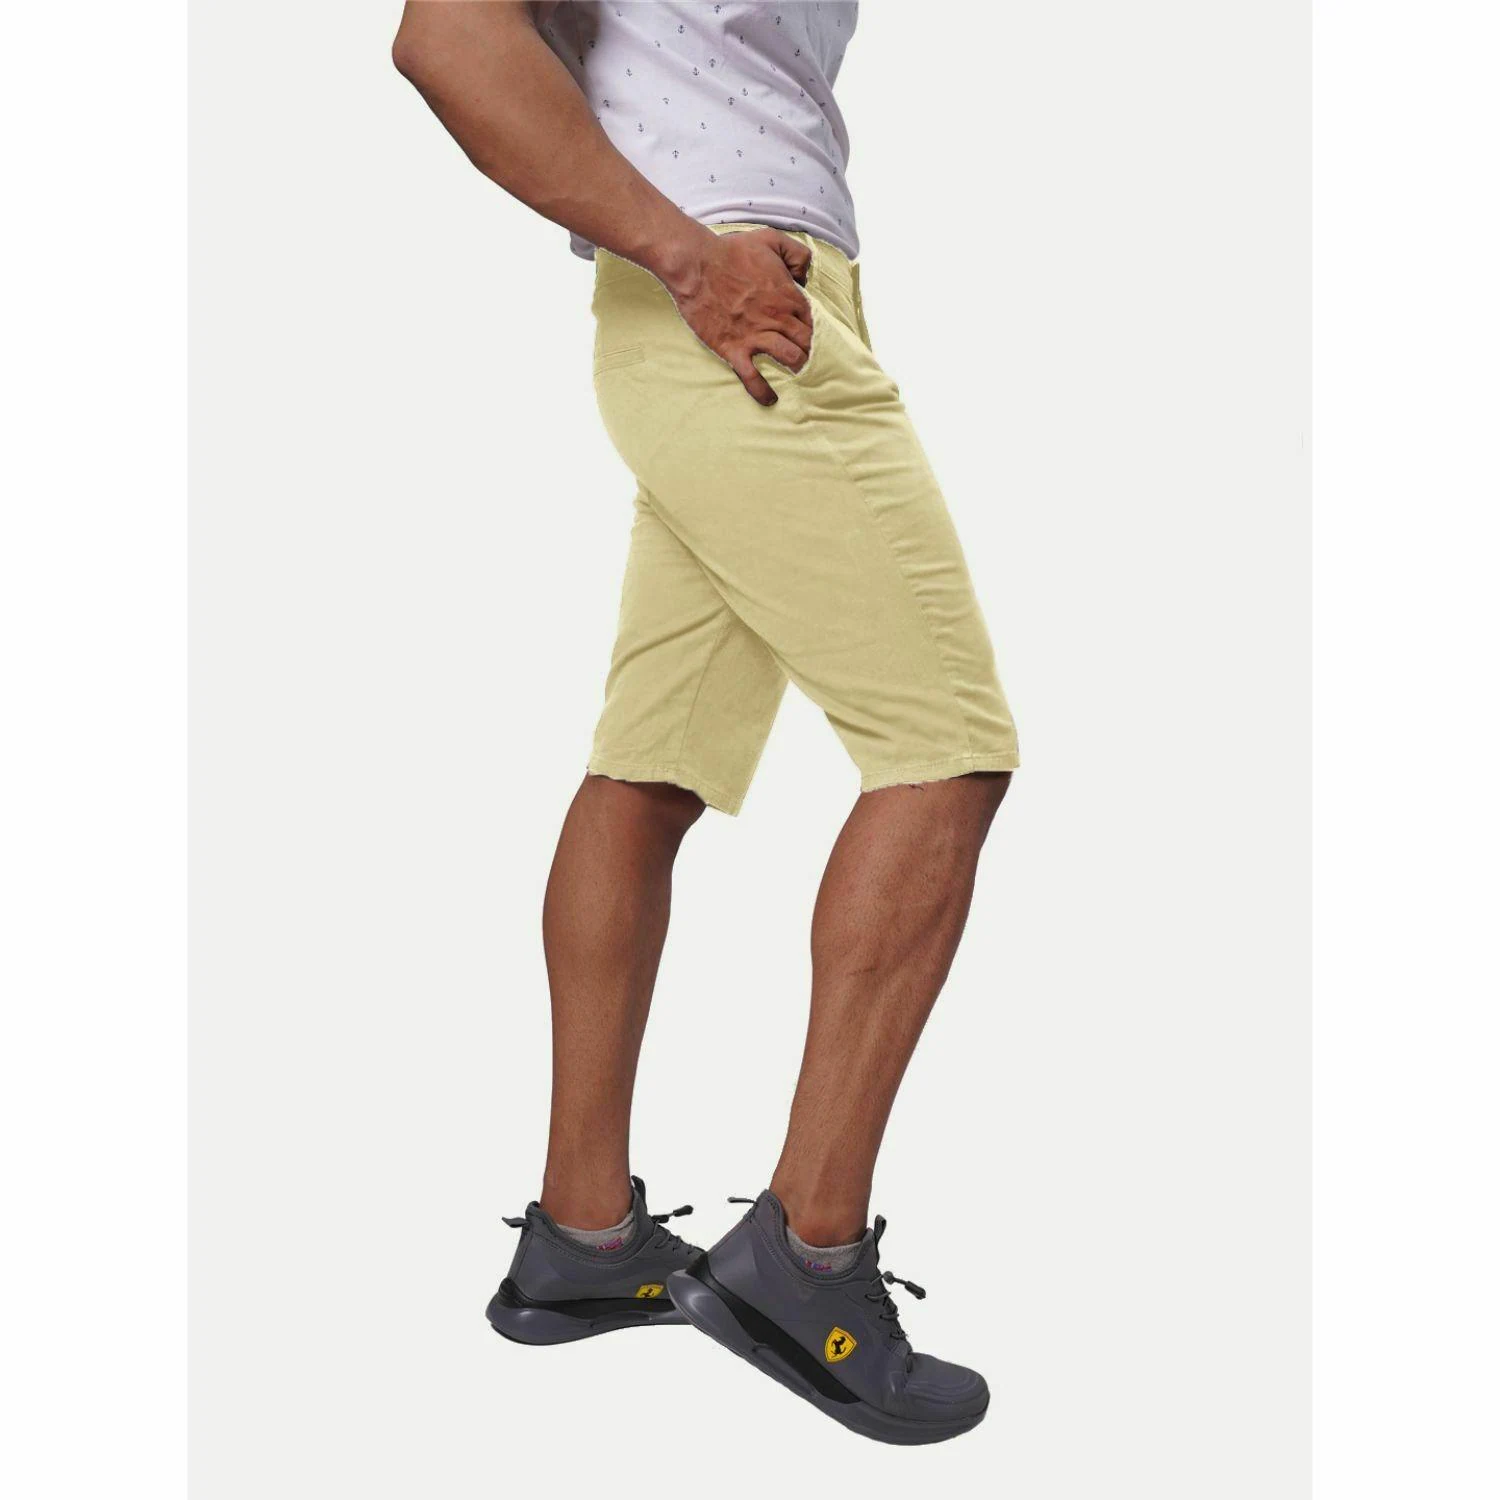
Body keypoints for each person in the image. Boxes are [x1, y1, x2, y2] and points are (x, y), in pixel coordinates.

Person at [393, 1, 1018, 1444]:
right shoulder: (705, 273)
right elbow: (450, 34)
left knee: (652, 766)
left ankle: (582, 1237)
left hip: (740, 305)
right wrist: (687, 258)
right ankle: (809, 1264)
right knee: (946, 751)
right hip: (728, 308)